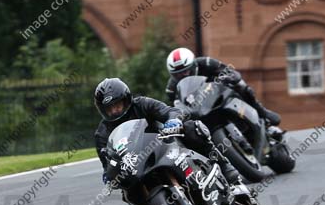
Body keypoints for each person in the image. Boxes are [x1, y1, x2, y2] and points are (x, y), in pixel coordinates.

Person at [93, 77, 242, 186]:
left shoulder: (142, 104)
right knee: (126, 189)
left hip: (164, 143)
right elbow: (106, 163)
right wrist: (109, 175)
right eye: (109, 108)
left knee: (191, 127)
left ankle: (223, 164)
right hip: (137, 165)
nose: (114, 111)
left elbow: (169, 111)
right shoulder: (102, 133)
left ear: (126, 99)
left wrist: (173, 120)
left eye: (117, 105)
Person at [164, 47, 281, 126]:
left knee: (242, 86)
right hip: (199, 109)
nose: (182, 75)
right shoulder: (171, 88)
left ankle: (262, 112)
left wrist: (228, 78)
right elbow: (174, 107)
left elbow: (230, 71)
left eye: (185, 71)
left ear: (193, 65)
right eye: (177, 74)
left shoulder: (207, 63)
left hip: (219, 92)